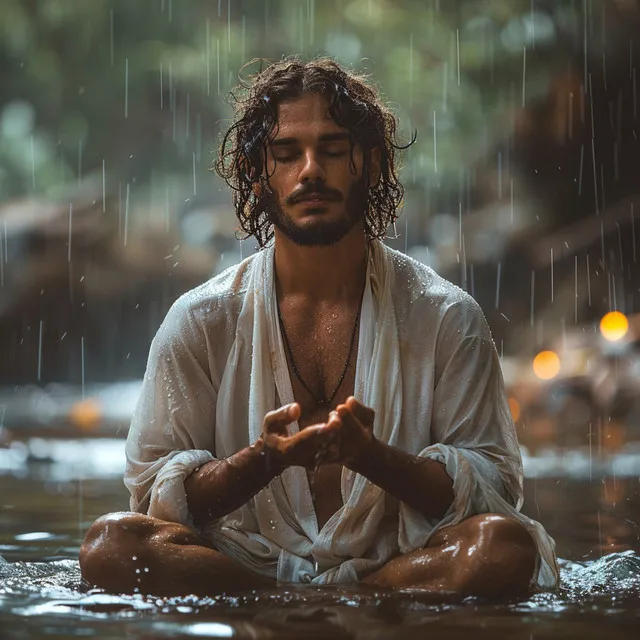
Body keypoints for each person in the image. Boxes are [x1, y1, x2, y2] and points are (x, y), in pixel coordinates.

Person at [80, 57, 559, 598]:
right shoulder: (200, 320)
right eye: (287, 154)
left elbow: (493, 491)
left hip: (399, 565)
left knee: (502, 549)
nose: (311, 170)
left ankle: (342, 595)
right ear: (260, 175)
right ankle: (317, 599)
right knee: (111, 548)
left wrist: (373, 459)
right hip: (246, 565)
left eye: (333, 150)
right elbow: (151, 499)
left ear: (372, 164)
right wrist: (260, 462)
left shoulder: (446, 317)